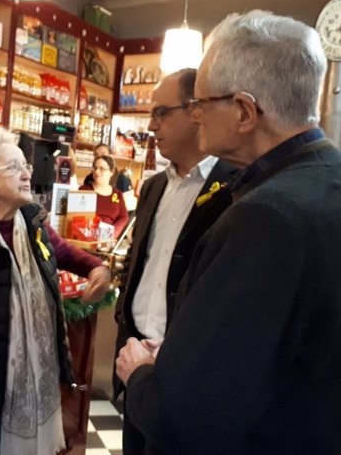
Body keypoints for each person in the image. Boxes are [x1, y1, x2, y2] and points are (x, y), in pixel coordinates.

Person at [116, 10, 341, 455]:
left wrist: (141, 372)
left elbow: (186, 418)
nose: (197, 116)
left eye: (201, 104)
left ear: (244, 111)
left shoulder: (268, 216)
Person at [0, 127, 111, 455]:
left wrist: (96, 267)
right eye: (15, 167)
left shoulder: (32, 223)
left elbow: (64, 251)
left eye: (26, 167)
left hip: (36, 378)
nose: (27, 174)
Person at [113, 68, 237, 455]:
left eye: (161, 112)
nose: (152, 125)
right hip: (134, 358)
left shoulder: (236, 188)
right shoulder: (152, 186)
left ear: (195, 110)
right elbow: (140, 259)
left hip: (187, 367)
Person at [79, 154, 129, 237]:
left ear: (111, 172)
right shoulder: (85, 190)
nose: (97, 172)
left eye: (102, 169)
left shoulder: (117, 194)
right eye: (95, 168)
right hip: (87, 238)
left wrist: (111, 234)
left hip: (108, 241)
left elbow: (124, 217)